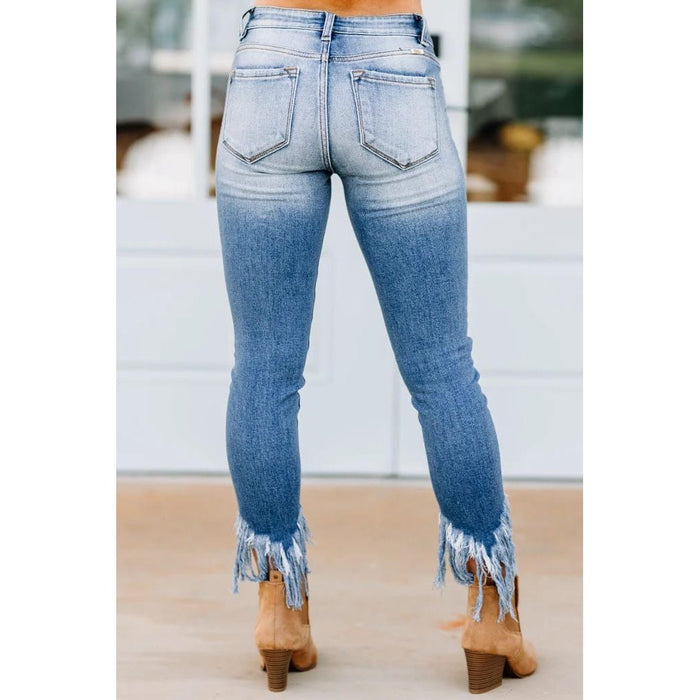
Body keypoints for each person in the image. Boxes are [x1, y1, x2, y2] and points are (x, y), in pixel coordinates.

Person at [214, 1, 537, 693]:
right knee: (442, 369)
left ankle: (280, 610)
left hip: (271, 60)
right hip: (389, 59)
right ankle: (493, 616)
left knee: (264, 367)